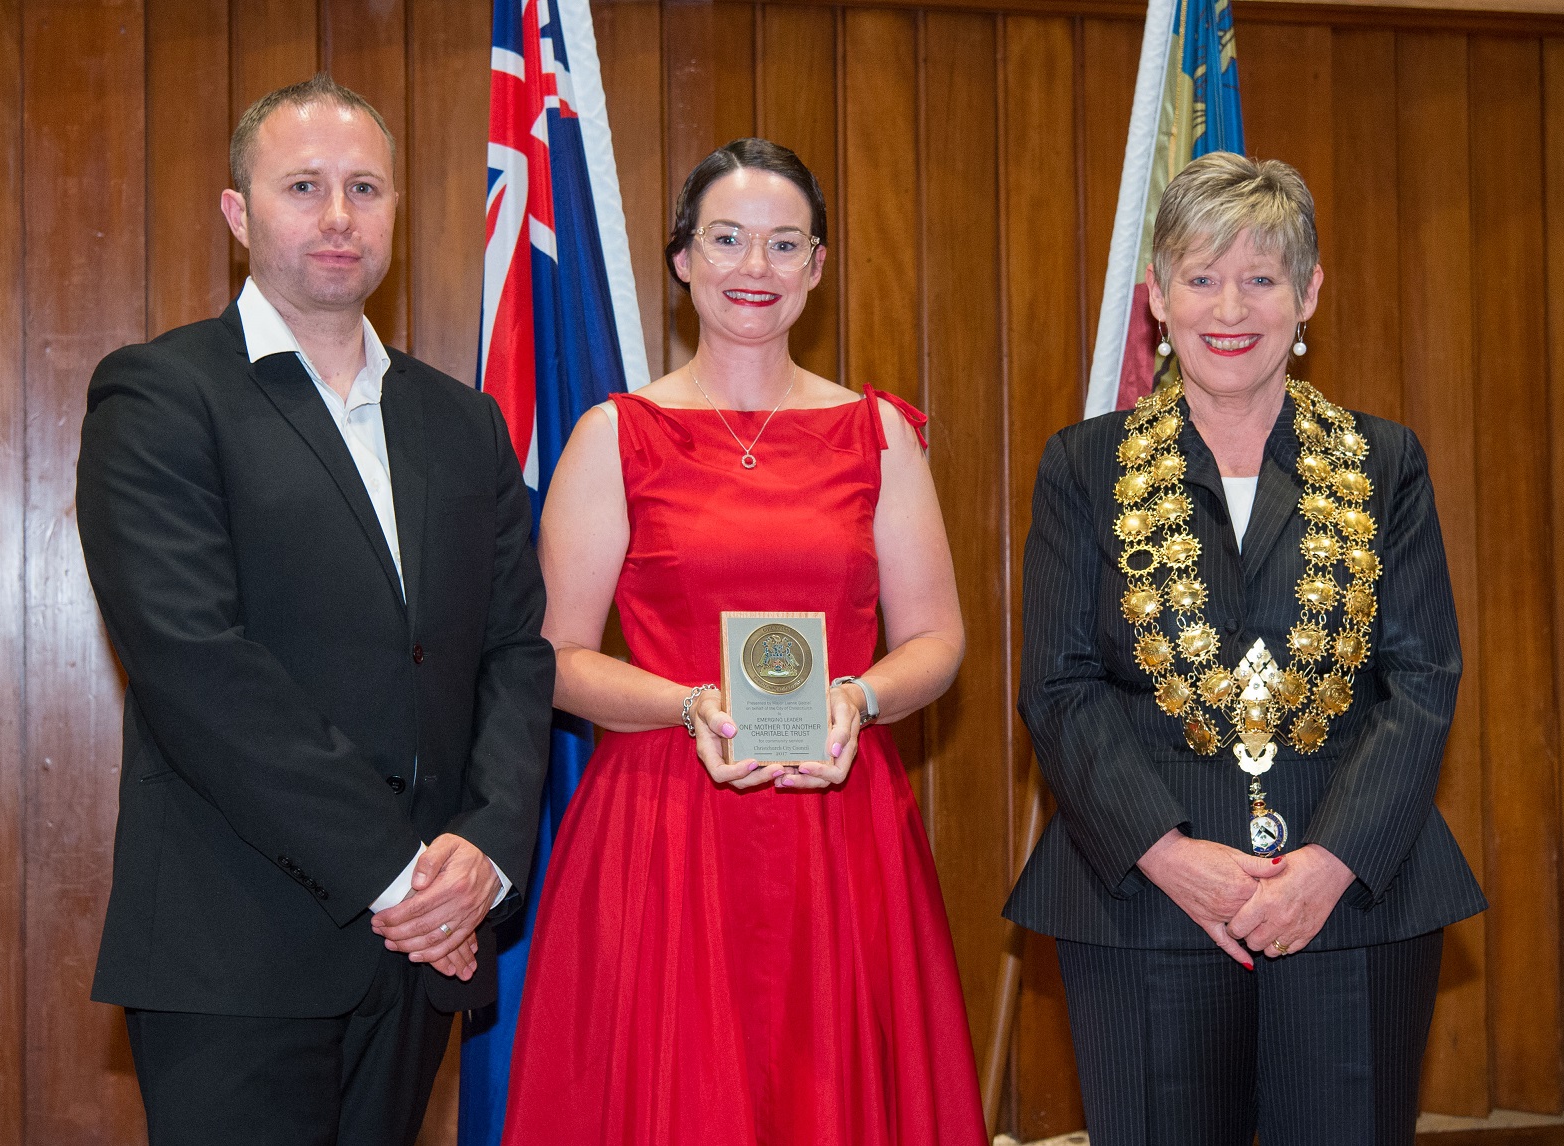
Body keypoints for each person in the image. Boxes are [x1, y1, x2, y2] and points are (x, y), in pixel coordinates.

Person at [75, 74, 554, 1146]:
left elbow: (518, 654)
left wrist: (480, 853)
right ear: (239, 214)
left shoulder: (461, 423)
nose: (339, 216)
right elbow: (196, 664)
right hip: (236, 950)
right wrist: (401, 876)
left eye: (364, 188)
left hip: (423, 948)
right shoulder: (158, 397)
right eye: (303, 186)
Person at [500, 138, 988, 1145]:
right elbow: (552, 657)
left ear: (815, 266)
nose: (752, 268)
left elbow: (937, 639)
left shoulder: (878, 434)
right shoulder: (614, 434)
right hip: (662, 826)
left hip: (838, 826)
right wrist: (686, 704)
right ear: (682, 260)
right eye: (725, 239)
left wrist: (856, 697)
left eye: (781, 244)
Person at [1004, 151, 1486, 1145]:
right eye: (1200, 275)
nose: (1230, 306)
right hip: (1142, 897)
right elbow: (1057, 686)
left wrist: (1327, 864)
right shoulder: (1080, 465)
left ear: (1306, 294)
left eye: (1261, 277)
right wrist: (1171, 855)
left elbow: (1420, 678)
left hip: (1350, 899)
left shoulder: (1384, 461)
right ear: (1156, 298)